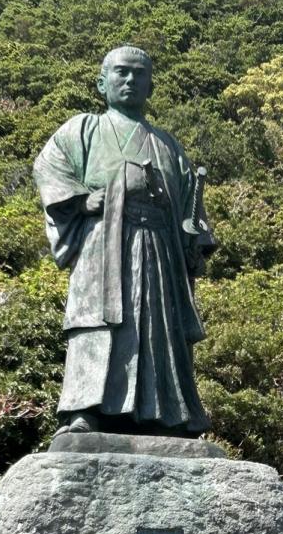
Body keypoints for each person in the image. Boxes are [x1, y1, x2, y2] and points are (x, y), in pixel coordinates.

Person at [33, 45, 216, 436]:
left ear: (151, 86)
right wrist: (83, 200)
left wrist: (195, 240)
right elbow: (49, 168)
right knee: (97, 321)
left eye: (139, 73)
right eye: (121, 72)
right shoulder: (81, 129)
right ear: (102, 83)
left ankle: (166, 416)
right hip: (103, 242)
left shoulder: (167, 145)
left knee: (159, 329)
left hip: (160, 249)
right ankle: (86, 411)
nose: (130, 79)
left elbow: (190, 205)